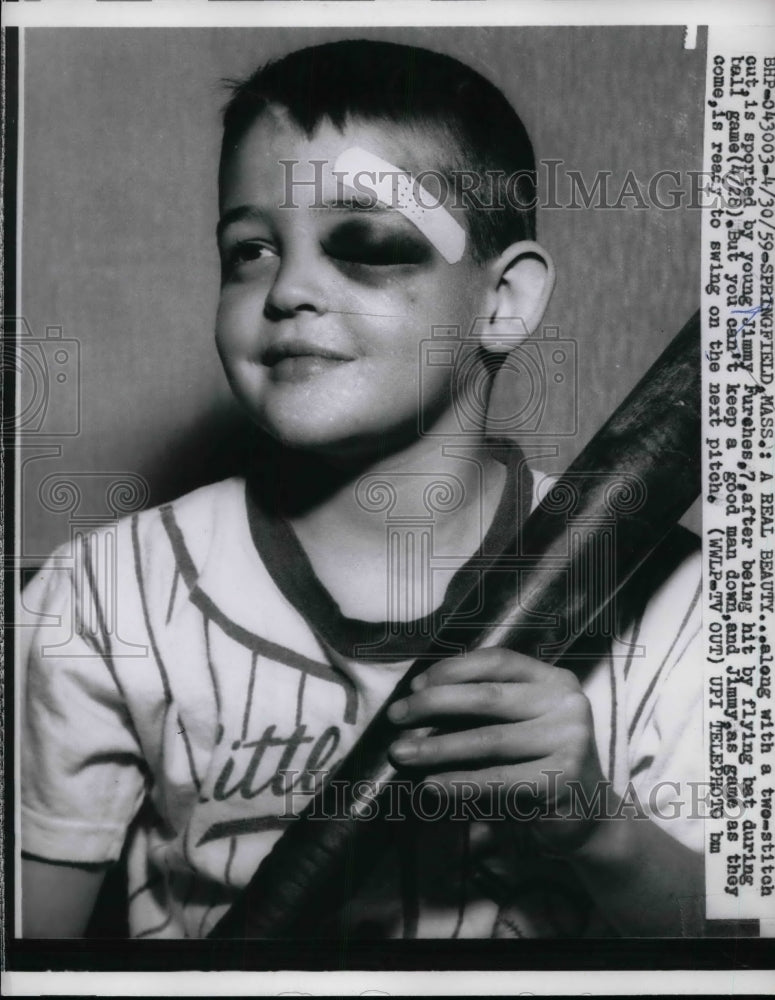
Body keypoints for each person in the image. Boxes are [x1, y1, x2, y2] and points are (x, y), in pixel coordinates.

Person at [20, 39, 704, 940]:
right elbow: (29, 955)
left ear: (502, 302)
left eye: (368, 243)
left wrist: (595, 826)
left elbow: (734, 949)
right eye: (250, 249)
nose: (290, 288)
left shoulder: (673, 594)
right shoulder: (103, 596)